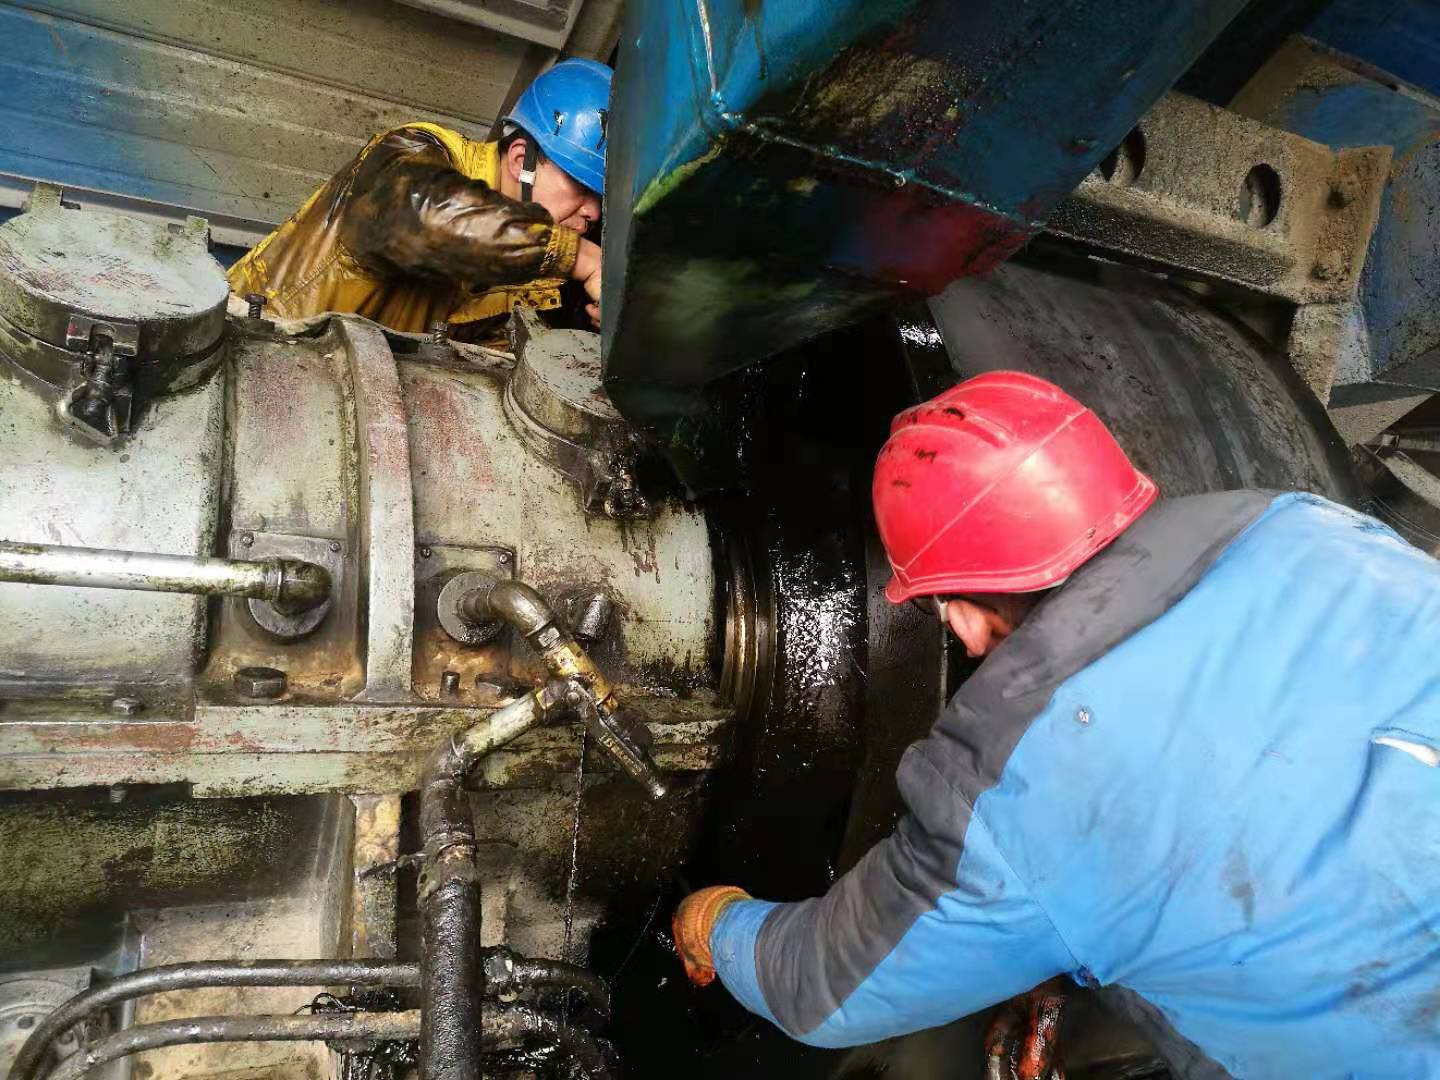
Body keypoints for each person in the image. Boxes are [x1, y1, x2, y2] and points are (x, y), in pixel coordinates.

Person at [673, 371, 1440, 1079]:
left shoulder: (1019, 791)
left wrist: (716, 923)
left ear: (961, 614)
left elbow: (822, 989)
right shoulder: (1294, 522)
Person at [228, 59, 608, 338]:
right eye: (582, 186)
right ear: (521, 160)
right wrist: (581, 258)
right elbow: (418, 214)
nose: (593, 211)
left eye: (602, 198)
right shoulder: (414, 151)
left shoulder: (539, 272)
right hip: (255, 341)